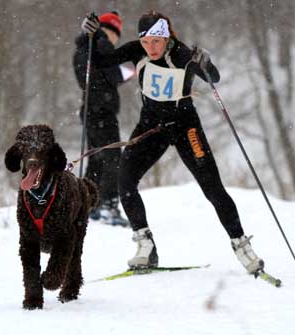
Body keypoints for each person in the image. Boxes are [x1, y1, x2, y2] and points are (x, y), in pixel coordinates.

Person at [80, 10, 265, 274]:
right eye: (146, 42)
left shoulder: (182, 54)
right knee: (125, 180)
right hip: (151, 127)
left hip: (185, 127)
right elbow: (100, 59)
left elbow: (214, 78)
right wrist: (90, 34)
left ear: (166, 36)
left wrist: (206, 63)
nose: (151, 48)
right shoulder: (137, 50)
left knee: (213, 189)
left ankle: (242, 246)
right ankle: (145, 246)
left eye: (156, 41)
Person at [73, 11, 132, 227]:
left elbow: (93, 76)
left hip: (91, 111)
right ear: (109, 30)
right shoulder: (101, 44)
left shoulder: (87, 46)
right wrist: (128, 71)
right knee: (113, 158)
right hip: (101, 112)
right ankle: (108, 205)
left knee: (97, 159)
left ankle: (88, 205)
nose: (117, 39)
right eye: (116, 33)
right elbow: (110, 75)